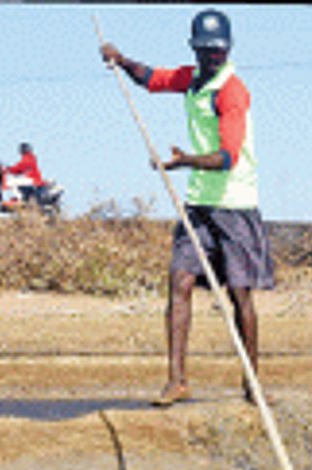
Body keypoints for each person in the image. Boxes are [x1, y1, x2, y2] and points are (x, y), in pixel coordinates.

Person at [100, 8, 275, 407]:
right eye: (204, 50)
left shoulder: (232, 91)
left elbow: (228, 156)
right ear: (195, 50)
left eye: (217, 51)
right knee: (179, 282)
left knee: (240, 295)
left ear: (227, 49)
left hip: (234, 204)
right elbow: (153, 80)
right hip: (198, 204)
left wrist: (183, 162)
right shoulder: (193, 80)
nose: (211, 57)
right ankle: (177, 380)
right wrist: (122, 59)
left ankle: (252, 384)